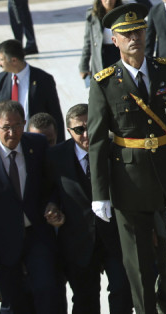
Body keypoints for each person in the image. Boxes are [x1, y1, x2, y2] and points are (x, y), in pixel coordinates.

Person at [87, 2, 166, 314]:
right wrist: (100, 194)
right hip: (129, 181)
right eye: (126, 33)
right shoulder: (105, 82)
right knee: (136, 263)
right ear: (115, 40)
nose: (134, 37)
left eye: (138, 31)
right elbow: (96, 140)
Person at [0, 100, 65, 313]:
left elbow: (53, 184)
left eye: (18, 126)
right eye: (6, 127)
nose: (13, 132)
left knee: (46, 291)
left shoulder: (37, 145)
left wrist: (52, 204)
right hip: (2, 244)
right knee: (13, 301)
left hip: (36, 235)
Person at [47, 103, 131, 314]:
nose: (86, 134)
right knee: (86, 300)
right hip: (79, 242)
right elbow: (49, 191)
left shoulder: (115, 149)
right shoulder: (56, 157)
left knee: (122, 292)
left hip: (115, 239)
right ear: (68, 131)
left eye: (90, 127)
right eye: (79, 130)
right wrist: (51, 206)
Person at [0, 38, 64, 142]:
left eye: (2, 59)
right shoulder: (1, 79)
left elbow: (55, 114)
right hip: (9, 138)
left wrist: (60, 146)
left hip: (34, 139)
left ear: (14, 60)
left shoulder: (43, 79)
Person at [80, 0, 123, 82]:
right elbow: (88, 42)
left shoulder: (123, 14)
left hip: (119, 56)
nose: (108, 0)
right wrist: (83, 66)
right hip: (101, 57)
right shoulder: (93, 16)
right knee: (102, 90)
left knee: (120, 89)